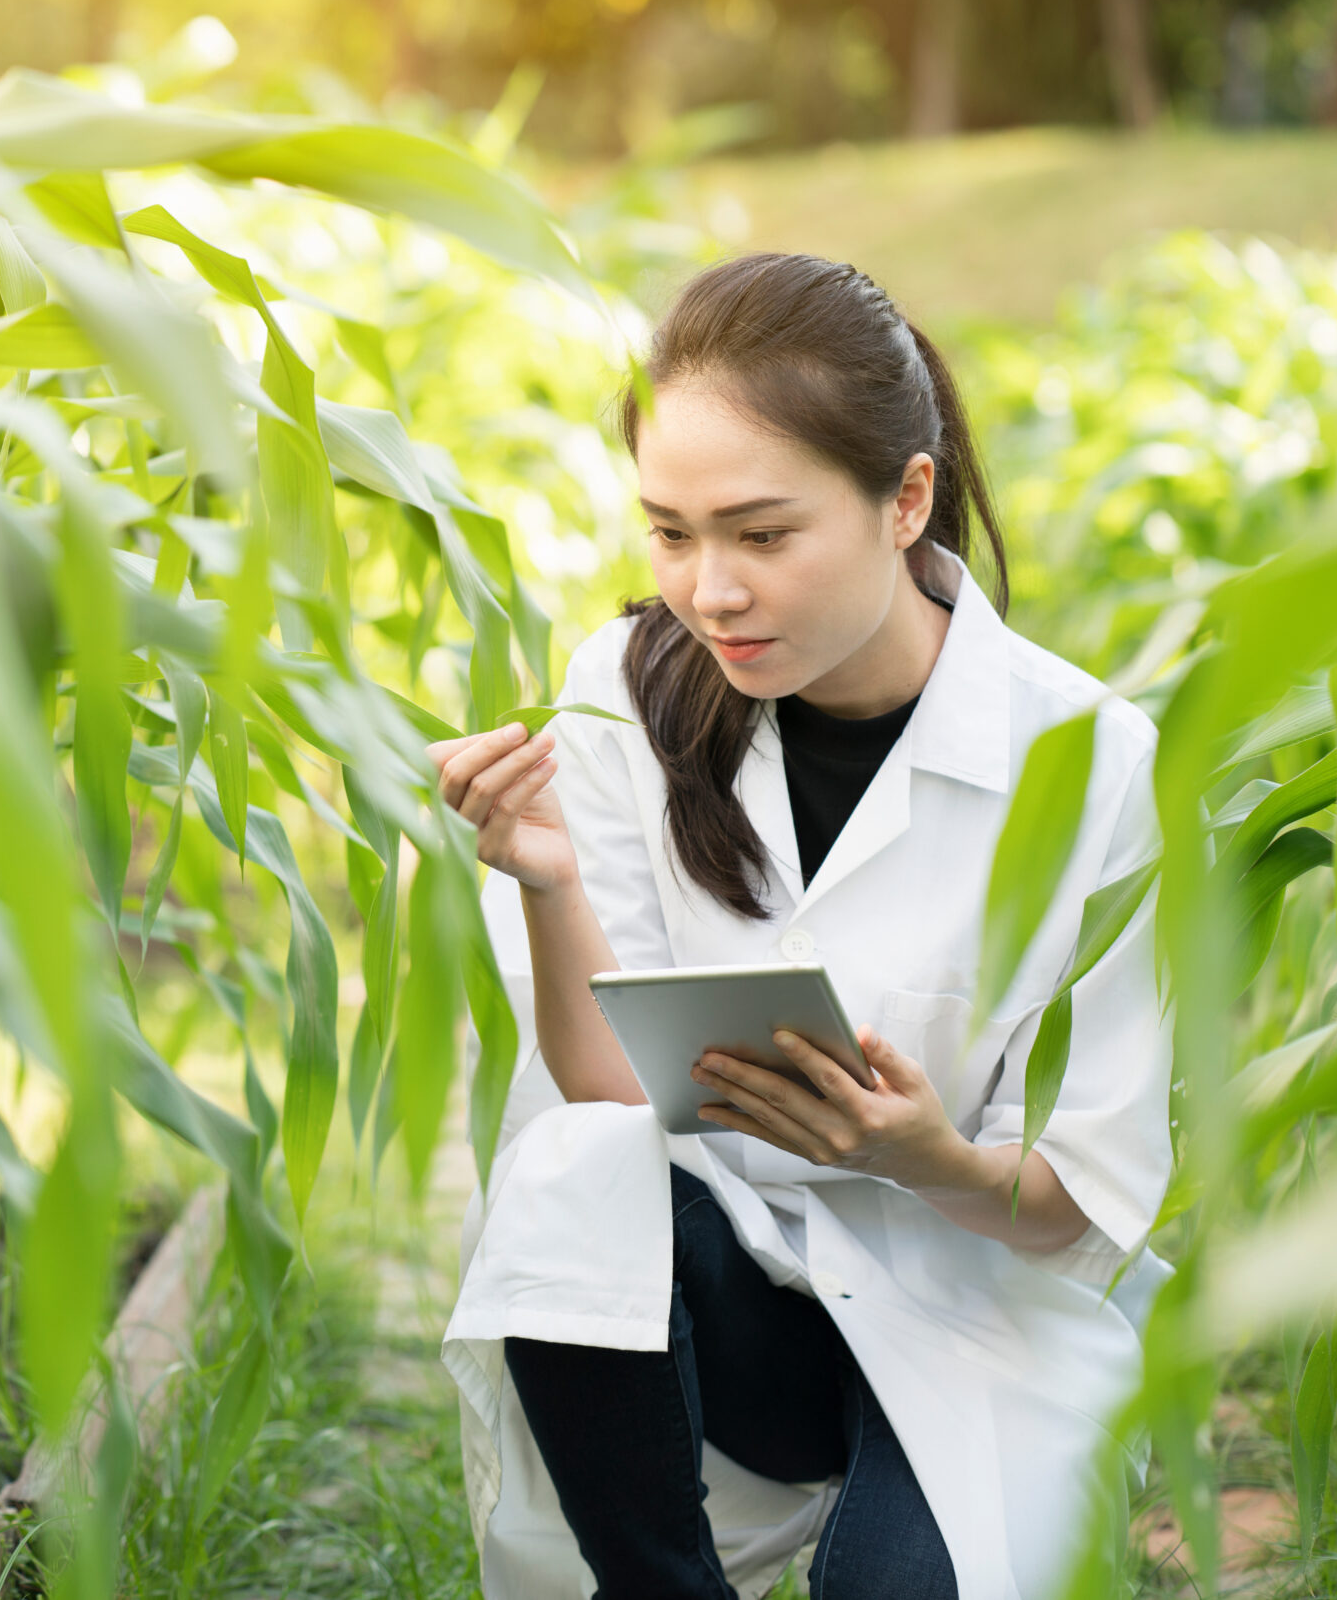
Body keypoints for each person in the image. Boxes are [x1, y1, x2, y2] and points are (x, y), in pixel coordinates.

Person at [432, 253, 1173, 1600]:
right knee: (563, 1172)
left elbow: (1091, 1193)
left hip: (976, 1315)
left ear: (906, 499)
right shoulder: (625, 694)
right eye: (670, 531)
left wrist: (927, 1154)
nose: (708, 591)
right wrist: (547, 879)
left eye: (762, 535)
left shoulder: (1084, 760)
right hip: (735, 1319)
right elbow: (607, 1097)